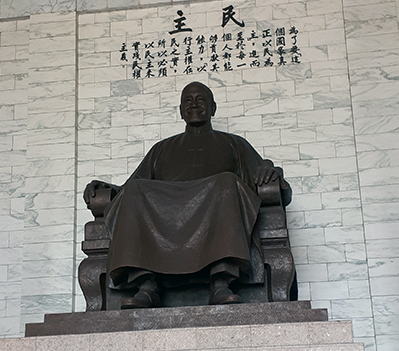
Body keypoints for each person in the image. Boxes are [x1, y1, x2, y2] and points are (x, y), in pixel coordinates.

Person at [84, 82, 290, 309]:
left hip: (216, 205)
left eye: (201, 100)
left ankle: (220, 282)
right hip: (166, 213)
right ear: (181, 111)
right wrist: (106, 188)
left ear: (213, 108)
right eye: (188, 101)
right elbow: (129, 189)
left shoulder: (234, 144)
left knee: (227, 182)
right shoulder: (161, 149)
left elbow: (270, 181)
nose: (194, 105)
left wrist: (271, 171)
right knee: (135, 190)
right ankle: (147, 285)